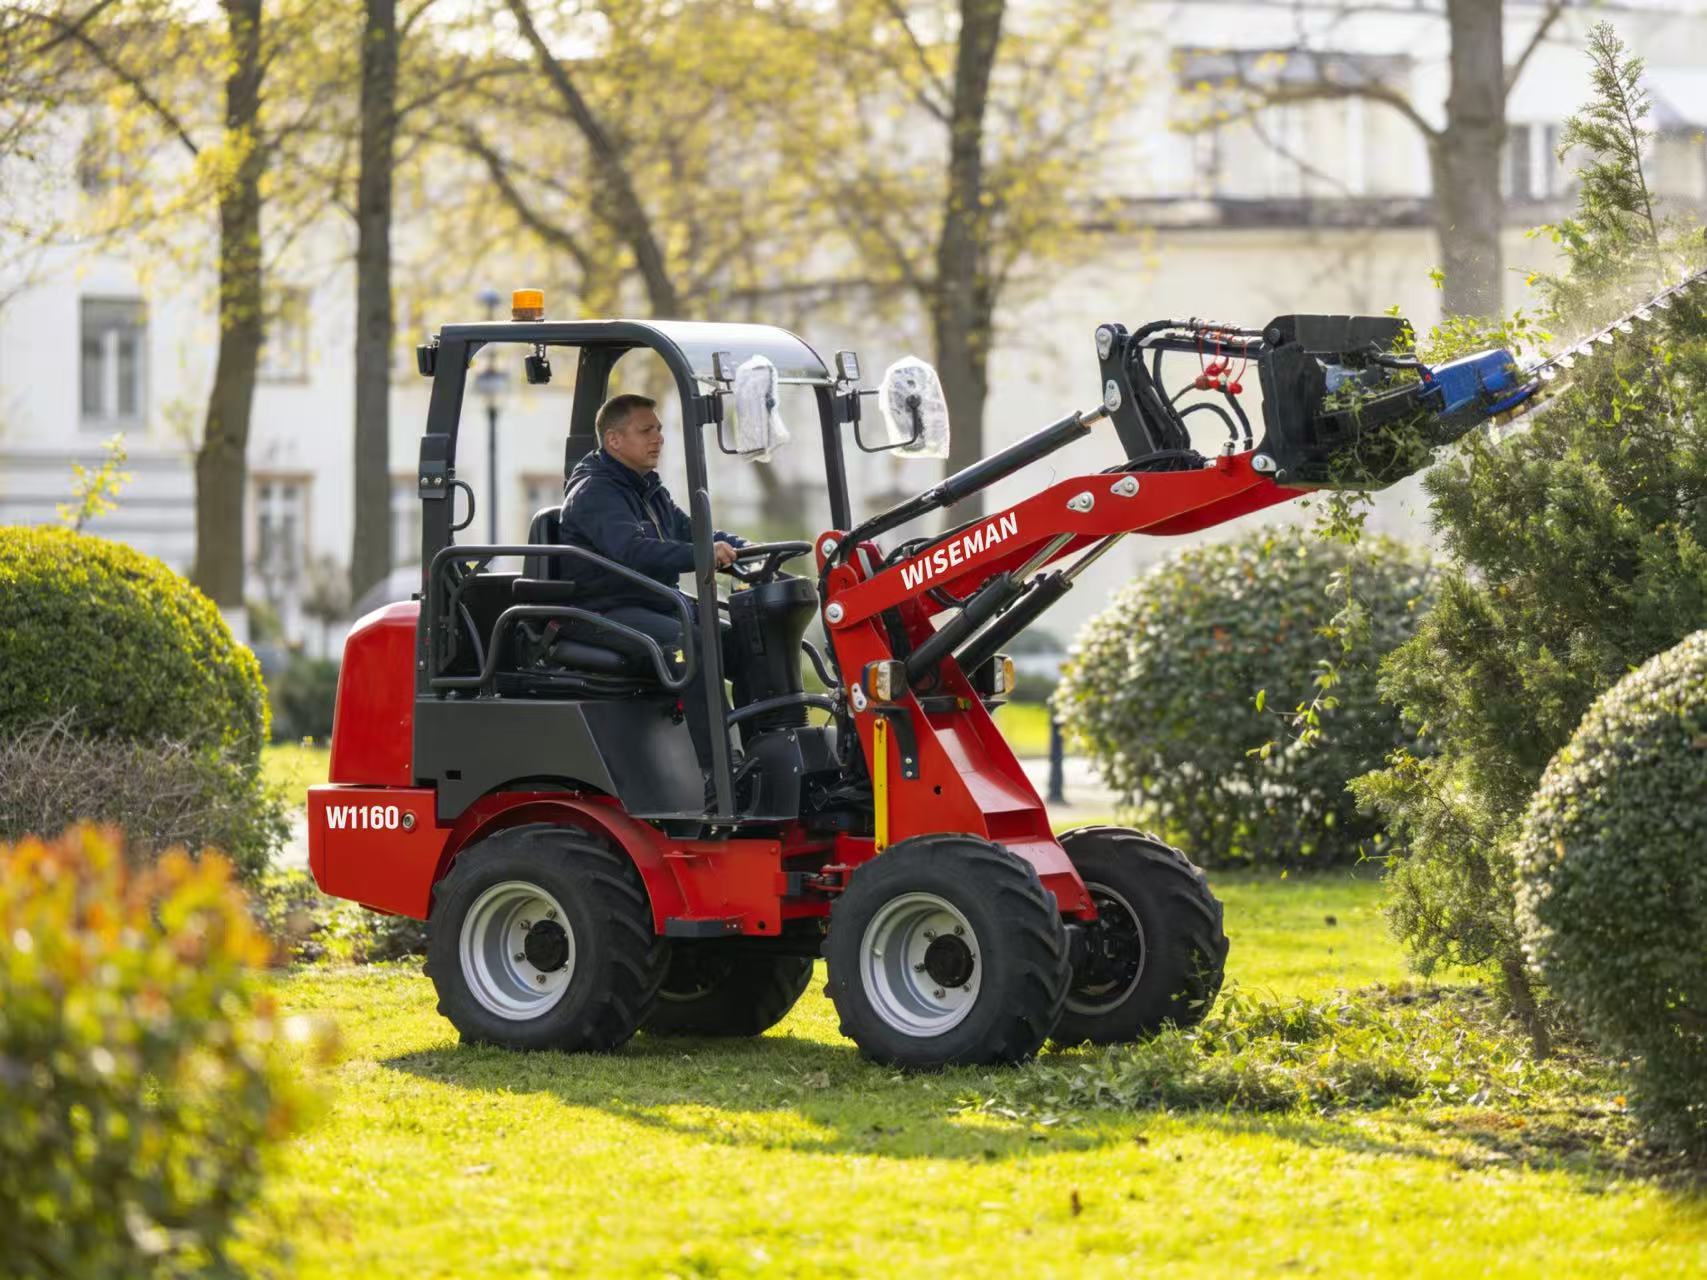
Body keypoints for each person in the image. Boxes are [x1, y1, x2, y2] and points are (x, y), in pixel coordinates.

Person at [559, 392, 748, 767]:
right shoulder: (595, 492)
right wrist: (703, 556)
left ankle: (766, 749)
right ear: (614, 440)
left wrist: (743, 549)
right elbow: (633, 551)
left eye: (659, 430)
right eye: (646, 430)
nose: (658, 438)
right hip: (603, 612)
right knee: (693, 645)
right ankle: (721, 774)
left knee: (744, 639)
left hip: (652, 605)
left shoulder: (648, 489)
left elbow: (693, 532)